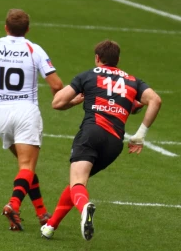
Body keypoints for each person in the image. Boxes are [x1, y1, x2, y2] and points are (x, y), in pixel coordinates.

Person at [42, 40, 162, 240]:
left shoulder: (88, 75)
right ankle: (50, 226)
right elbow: (153, 101)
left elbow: (57, 102)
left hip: (91, 133)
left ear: (97, 58)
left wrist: (76, 101)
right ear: (118, 60)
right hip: (114, 143)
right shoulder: (133, 81)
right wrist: (139, 135)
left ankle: (85, 209)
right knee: (77, 182)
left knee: (78, 181)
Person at [0, 9, 65, 231]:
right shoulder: (34, 49)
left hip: (0, 114)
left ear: (5, 27)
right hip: (26, 112)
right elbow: (56, 84)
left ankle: (42, 214)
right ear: (27, 29)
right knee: (27, 166)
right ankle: (13, 204)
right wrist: (65, 101)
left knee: (25, 168)